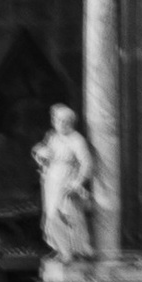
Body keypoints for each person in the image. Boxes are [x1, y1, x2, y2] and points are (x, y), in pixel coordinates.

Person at [35, 103, 99, 265]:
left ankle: (76, 250)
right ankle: (63, 250)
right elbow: (44, 155)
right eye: (58, 120)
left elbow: (87, 164)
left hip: (67, 181)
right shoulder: (52, 137)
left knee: (68, 216)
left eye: (65, 121)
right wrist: (41, 157)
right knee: (51, 216)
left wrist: (77, 182)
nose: (61, 124)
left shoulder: (76, 140)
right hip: (51, 181)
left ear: (71, 122)